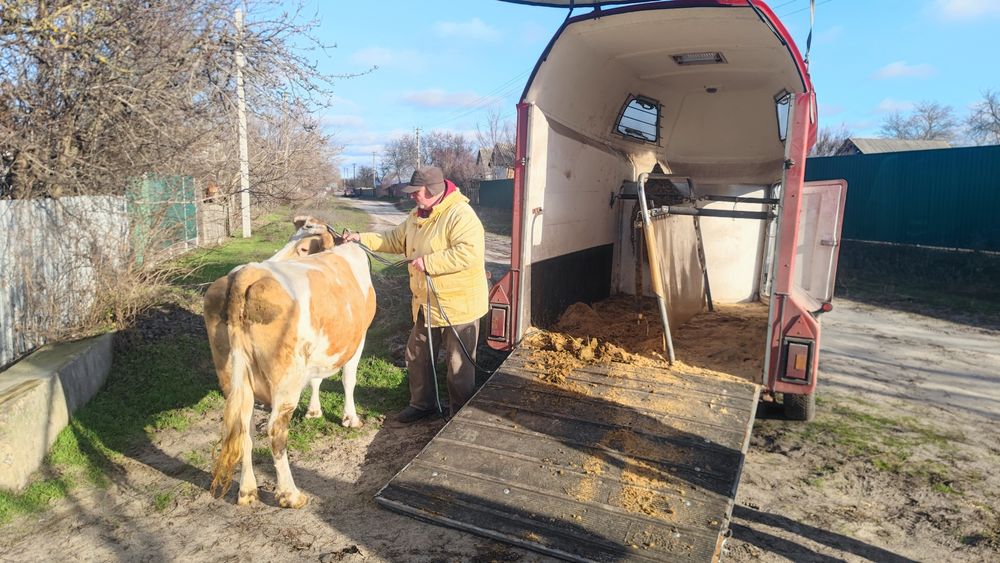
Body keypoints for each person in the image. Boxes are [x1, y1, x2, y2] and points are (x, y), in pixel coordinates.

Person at [344, 166, 488, 423]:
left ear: (433, 191)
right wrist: (359, 238)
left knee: (458, 366)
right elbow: (392, 239)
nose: (412, 196)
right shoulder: (416, 215)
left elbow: (470, 253)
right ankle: (423, 404)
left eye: (416, 192)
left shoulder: (460, 214)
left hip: (458, 304)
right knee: (416, 353)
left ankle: (460, 416)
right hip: (426, 302)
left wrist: (430, 262)